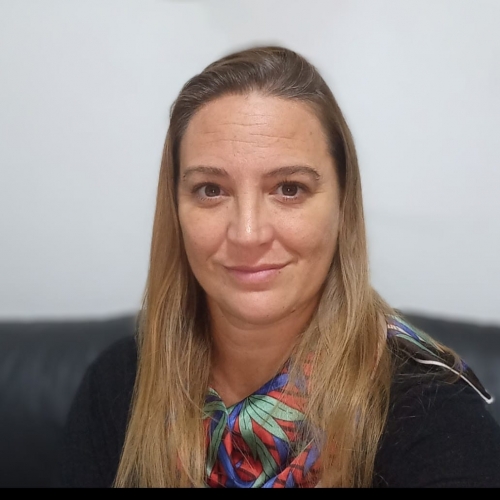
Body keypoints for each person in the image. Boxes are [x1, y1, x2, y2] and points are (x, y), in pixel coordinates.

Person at [58, 46, 500, 488]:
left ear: (343, 206)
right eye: (211, 190)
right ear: (174, 209)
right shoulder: (119, 386)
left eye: (289, 188)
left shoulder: (434, 412)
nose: (248, 234)